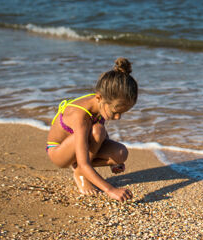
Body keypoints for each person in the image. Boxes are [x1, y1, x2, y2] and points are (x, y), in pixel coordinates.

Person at [45, 57, 138, 202]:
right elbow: (86, 157)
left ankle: (82, 171)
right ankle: (80, 174)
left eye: (122, 113)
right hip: (59, 152)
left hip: (82, 147)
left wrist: (115, 163)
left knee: (120, 153)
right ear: (99, 98)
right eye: (115, 112)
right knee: (98, 131)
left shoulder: (100, 102)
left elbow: (100, 138)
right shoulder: (80, 116)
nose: (118, 117)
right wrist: (111, 190)